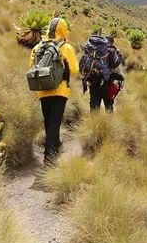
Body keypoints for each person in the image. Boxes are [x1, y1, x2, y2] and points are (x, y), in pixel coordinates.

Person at [28, 17, 79, 165]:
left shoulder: (37, 47)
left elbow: (31, 66)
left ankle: (54, 148)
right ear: (63, 29)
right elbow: (75, 70)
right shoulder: (66, 47)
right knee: (54, 124)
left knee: (48, 122)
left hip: (42, 90)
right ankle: (49, 160)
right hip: (60, 91)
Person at [81, 33, 124, 112]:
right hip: (107, 84)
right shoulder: (112, 52)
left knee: (94, 109)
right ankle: (108, 123)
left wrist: (85, 85)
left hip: (93, 84)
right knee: (109, 107)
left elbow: (85, 68)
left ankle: (93, 123)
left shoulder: (93, 51)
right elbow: (119, 72)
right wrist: (119, 85)